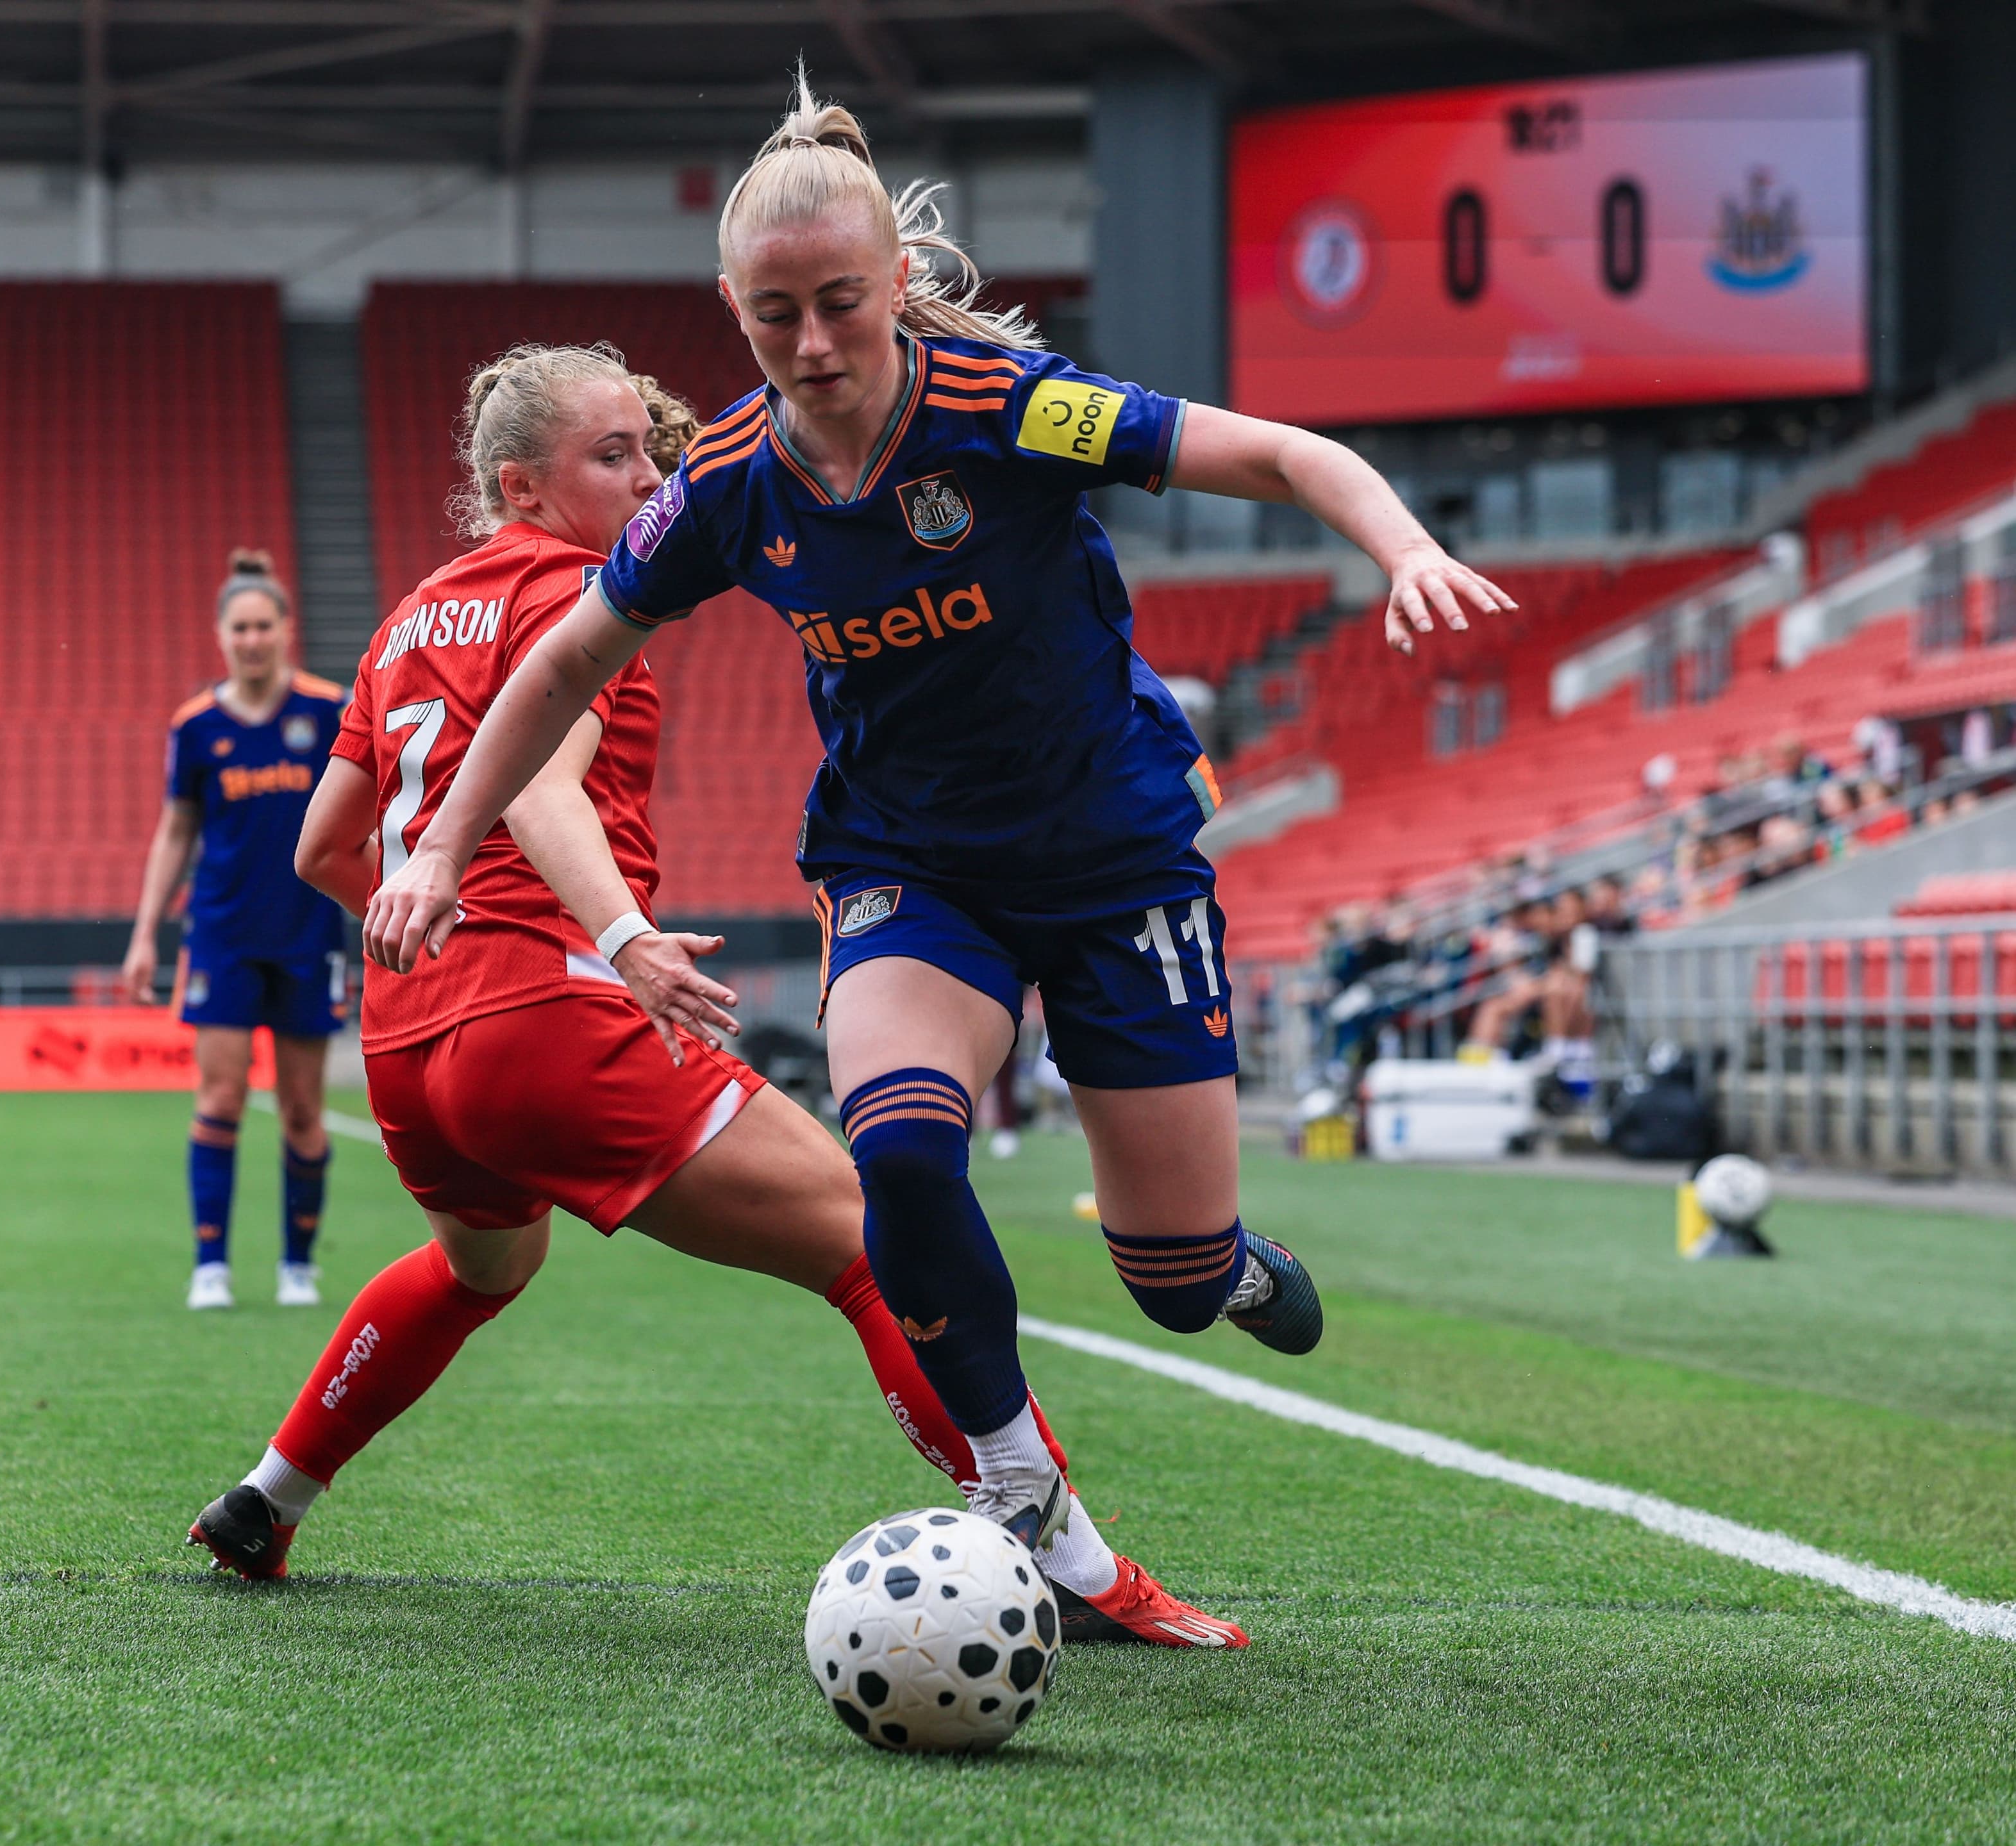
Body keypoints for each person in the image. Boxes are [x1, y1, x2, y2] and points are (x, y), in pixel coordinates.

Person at [364, 77, 1514, 1552]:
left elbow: (1282, 455)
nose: (813, 344)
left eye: (841, 302)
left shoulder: (1010, 409)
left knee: (1163, 1277)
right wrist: (444, 850)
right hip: (909, 869)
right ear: (732, 309)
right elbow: (557, 666)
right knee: (897, 1149)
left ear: (897, 284)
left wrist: (1404, 547)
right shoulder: (723, 480)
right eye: (773, 316)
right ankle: (1017, 1493)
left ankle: (1215, 1267)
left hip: (1114, 860)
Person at [186, 348, 1240, 1648]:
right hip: (552, 1019)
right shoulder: (580, 594)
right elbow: (537, 789)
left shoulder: (413, 615)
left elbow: (323, 852)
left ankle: (267, 1495)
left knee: (482, 1266)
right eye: (612, 456)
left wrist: (439, 931)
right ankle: (1072, 1563)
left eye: (651, 449)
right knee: (876, 1241)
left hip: (411, 1040)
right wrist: (619, 939)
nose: (651, 477)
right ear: (523, 485)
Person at [122, 552, 350, 1312]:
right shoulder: (196, 727)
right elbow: (176, 829)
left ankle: (298, 1266)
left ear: (286, 630)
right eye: (240, 627)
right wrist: (146, 932)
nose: (252, 639)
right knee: (218, 1099)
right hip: (221, 933)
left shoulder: (327, 712)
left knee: (302, 1110)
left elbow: (367, 810)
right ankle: (210, 1265)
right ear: (221, 636)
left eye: (264, 625)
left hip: (307, 931)